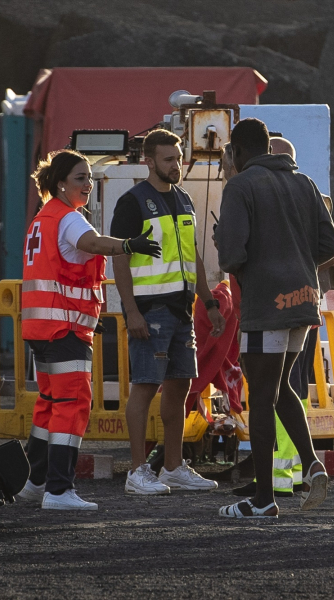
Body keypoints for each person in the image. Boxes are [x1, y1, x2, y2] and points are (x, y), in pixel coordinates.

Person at [16, 150, 161, 510]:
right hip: (62, 329)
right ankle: (59, 490)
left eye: (89, 178)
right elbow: (92, 245)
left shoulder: (42, 219)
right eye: (80, 178)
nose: (87, 184)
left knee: (50, 403)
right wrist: (128, 245)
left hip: (42, 328)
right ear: (61, 183)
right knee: (73, 403)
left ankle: (35, 483)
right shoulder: (69, 219)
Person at [216, 118, 334, 519]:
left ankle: (264, 500)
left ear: (236, 152)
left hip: (264, 304)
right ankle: (311, 464)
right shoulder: (304, 183)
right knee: (280, 385)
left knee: (262, 396)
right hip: (303, 301)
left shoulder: (240, 186)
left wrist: (252, 265)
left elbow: (232, 256)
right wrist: (297, 268)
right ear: (268, 146)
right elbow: (328, 246)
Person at [111, 129, 224, 496]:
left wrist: (209, 303)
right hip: (150, 310)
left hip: (183, 310)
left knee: (180, 385)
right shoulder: (133, 202)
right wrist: (131, 312)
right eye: (168, 159)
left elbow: (192, 257)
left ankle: (173, 467)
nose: (176, 165)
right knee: (145, 386)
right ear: (149, 161)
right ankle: (137, 471)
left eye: (179, 158)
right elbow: (120, 259)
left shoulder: (185, 199)